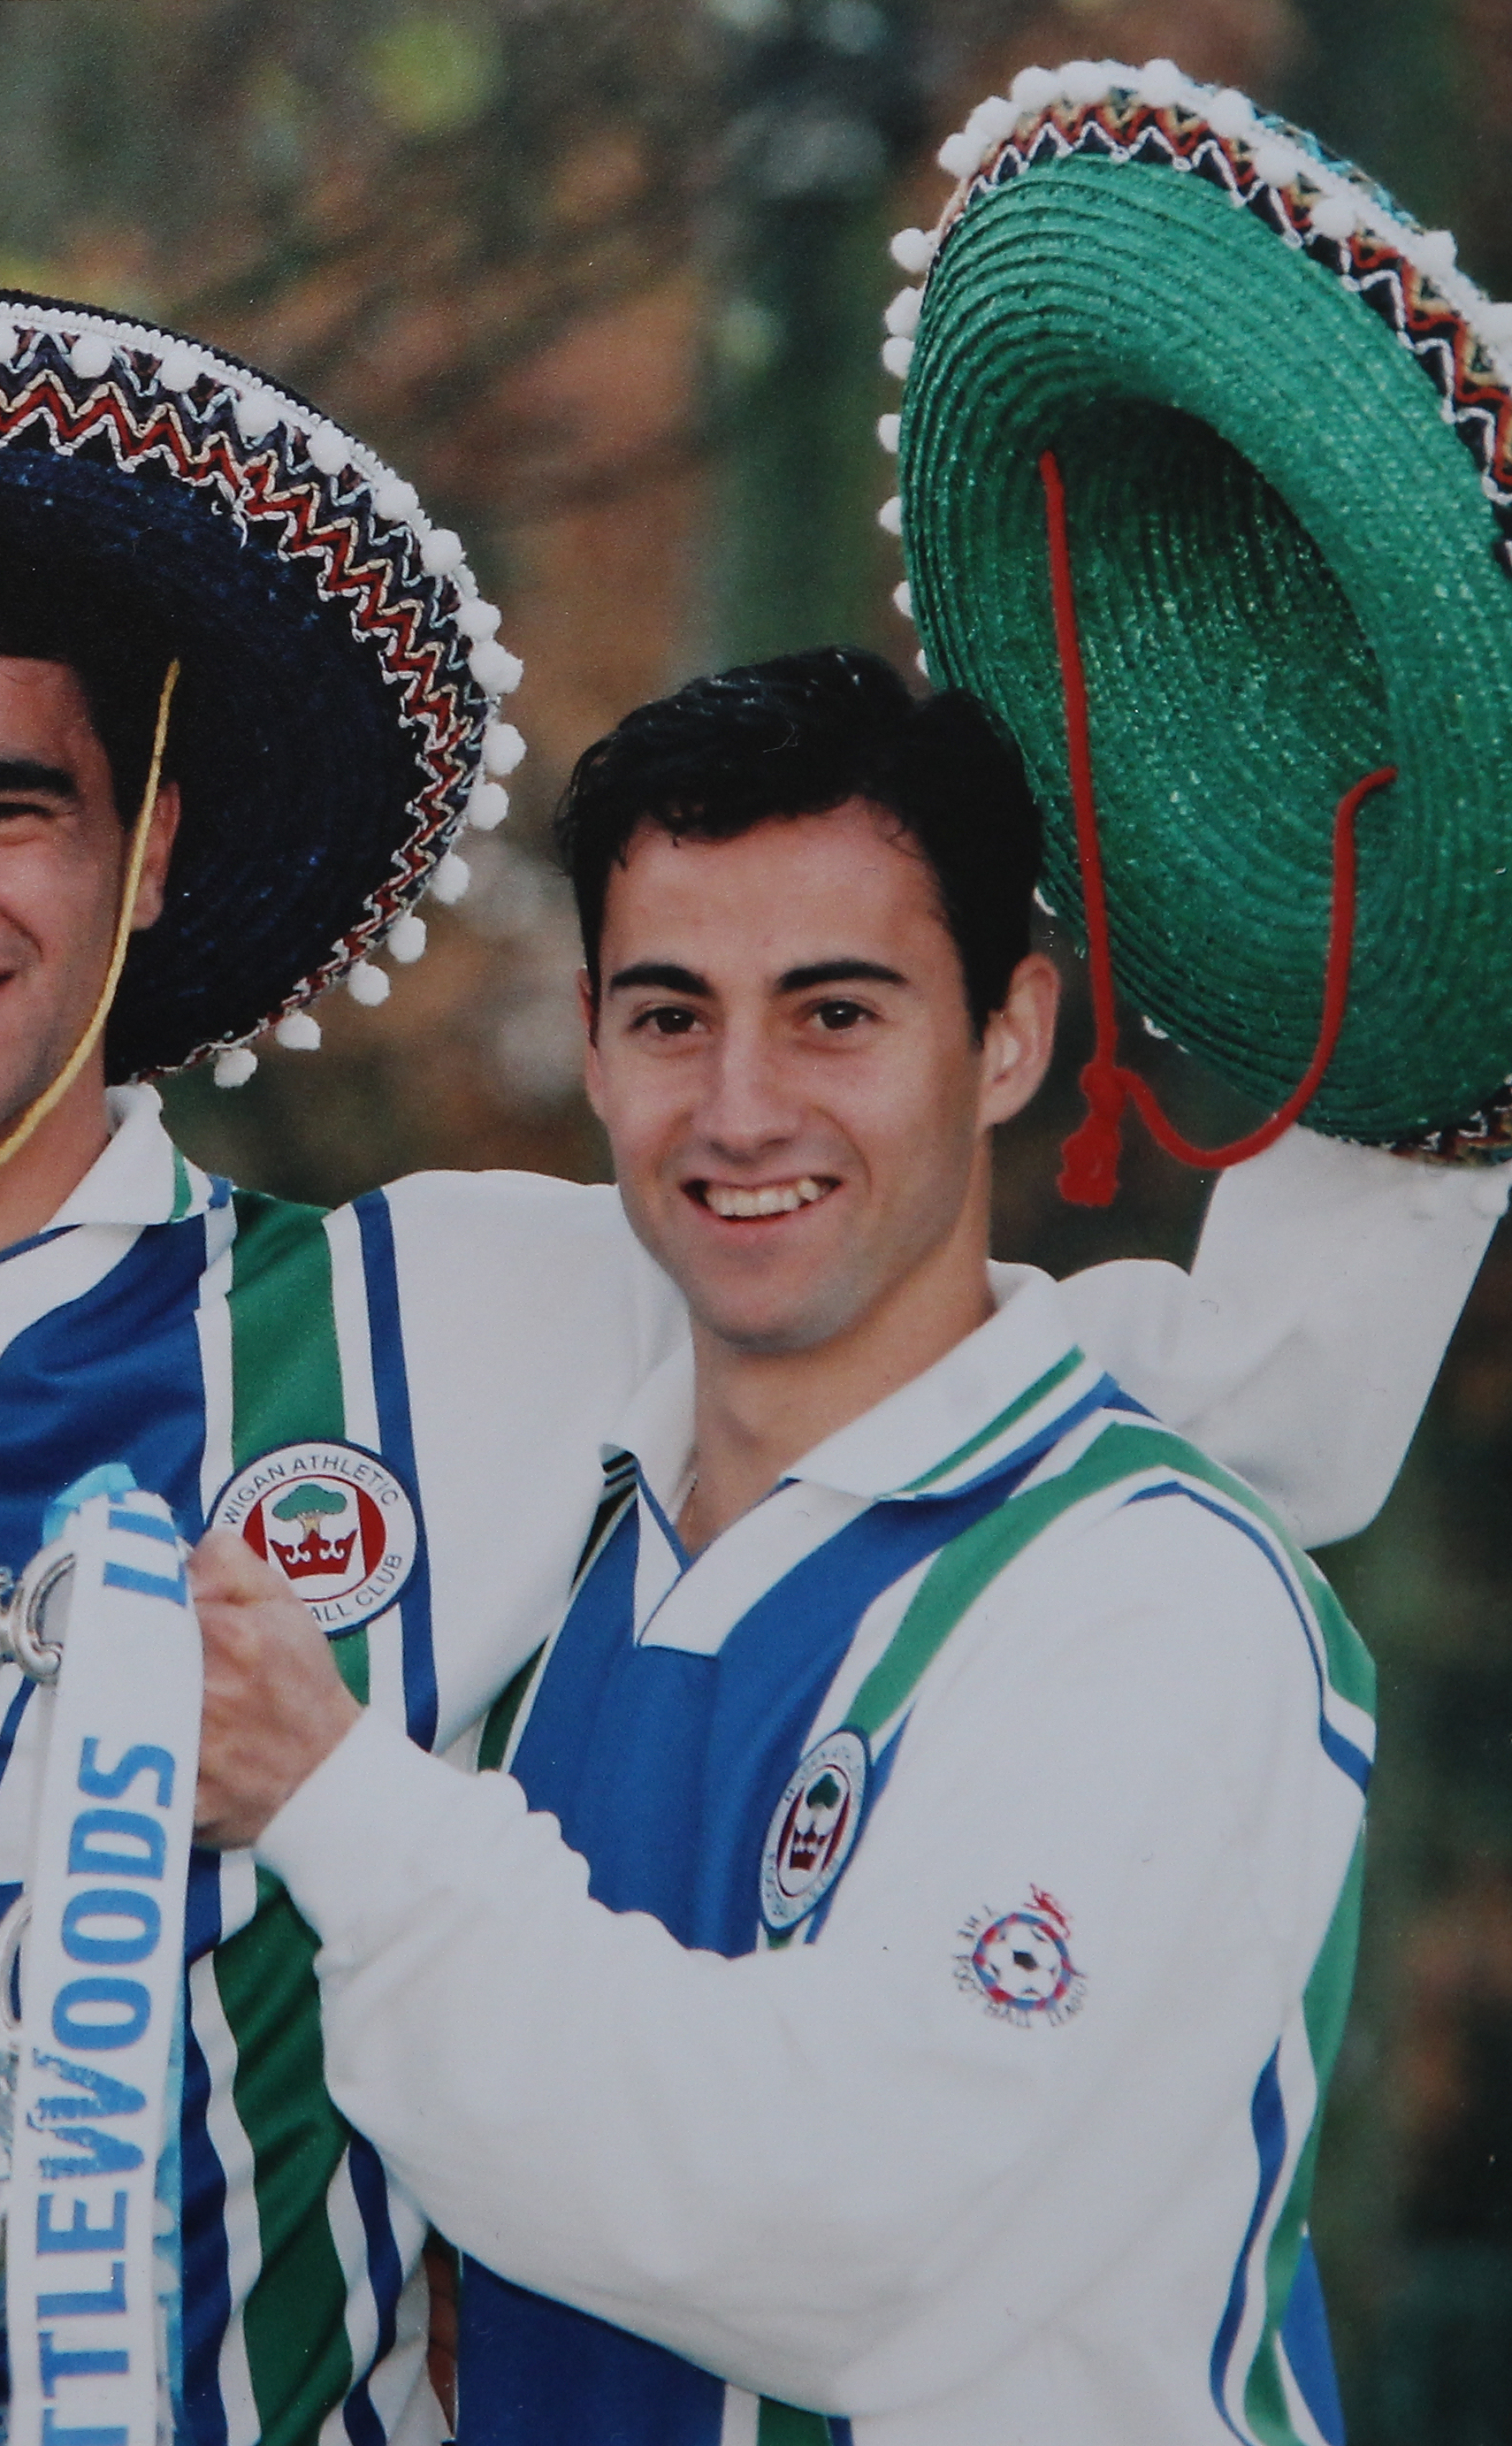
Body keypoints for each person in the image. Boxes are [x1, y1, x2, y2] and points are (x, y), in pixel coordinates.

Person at [0, 292, 1494, 2446]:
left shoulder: (478, 1316)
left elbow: (1193, 1423)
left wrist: (1479, 712)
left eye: (2, 800)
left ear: (149, 842)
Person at [187, 649, 1378, 2444]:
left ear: (1009, 1035)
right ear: (590, 1043)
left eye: (836, 1014)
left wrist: (339, 1801)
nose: (742, 1108)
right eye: (674, 1017)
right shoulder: (553, 1533)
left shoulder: (1152, 1594)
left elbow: (858, 2237)